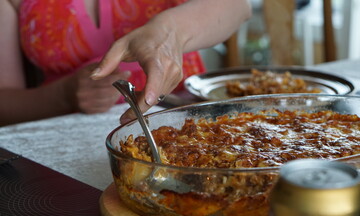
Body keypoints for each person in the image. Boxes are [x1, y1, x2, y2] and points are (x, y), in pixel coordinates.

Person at [0, 0, 251, 126]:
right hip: (58, 147)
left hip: (187, 123)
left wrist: (170, 32)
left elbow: (237, 6)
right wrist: (62, 96)